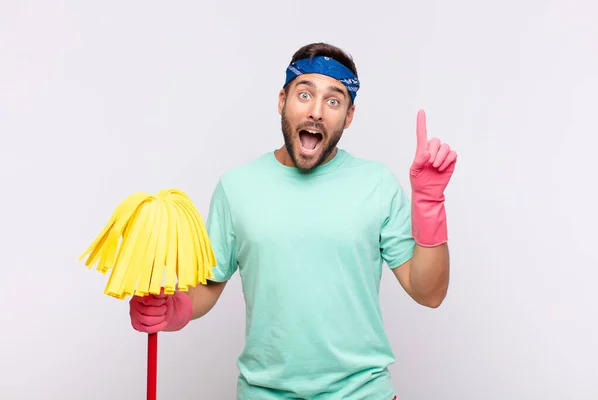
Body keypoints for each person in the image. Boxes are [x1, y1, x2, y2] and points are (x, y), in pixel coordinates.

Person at [129, 42, 458, 399]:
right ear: (282, 100)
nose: (316, 112)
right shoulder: (237, 187)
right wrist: (174, 309)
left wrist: (429, 203)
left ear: (348, 116)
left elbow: (429, 293)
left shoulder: (376, 185)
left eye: (333, 101)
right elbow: (210, 283)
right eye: (304, 95)